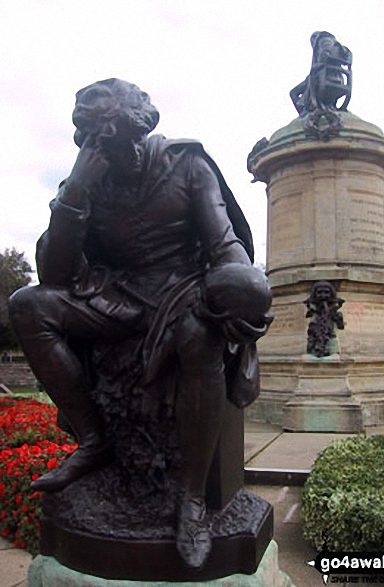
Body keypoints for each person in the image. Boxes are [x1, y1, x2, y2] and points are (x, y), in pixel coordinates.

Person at [9, 78, 272, 568]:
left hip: (183, 292)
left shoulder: (186, 165)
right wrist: (77, 190)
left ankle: (191, 499)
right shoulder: (85, 184)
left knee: (199, 335)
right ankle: (94, 441)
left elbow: (223, 245)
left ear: (140, 129)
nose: (116, 153)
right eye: (100, 144)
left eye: (121, 139)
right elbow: (55, 274)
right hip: (119, 298)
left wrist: (241, 288)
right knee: (28, 305)